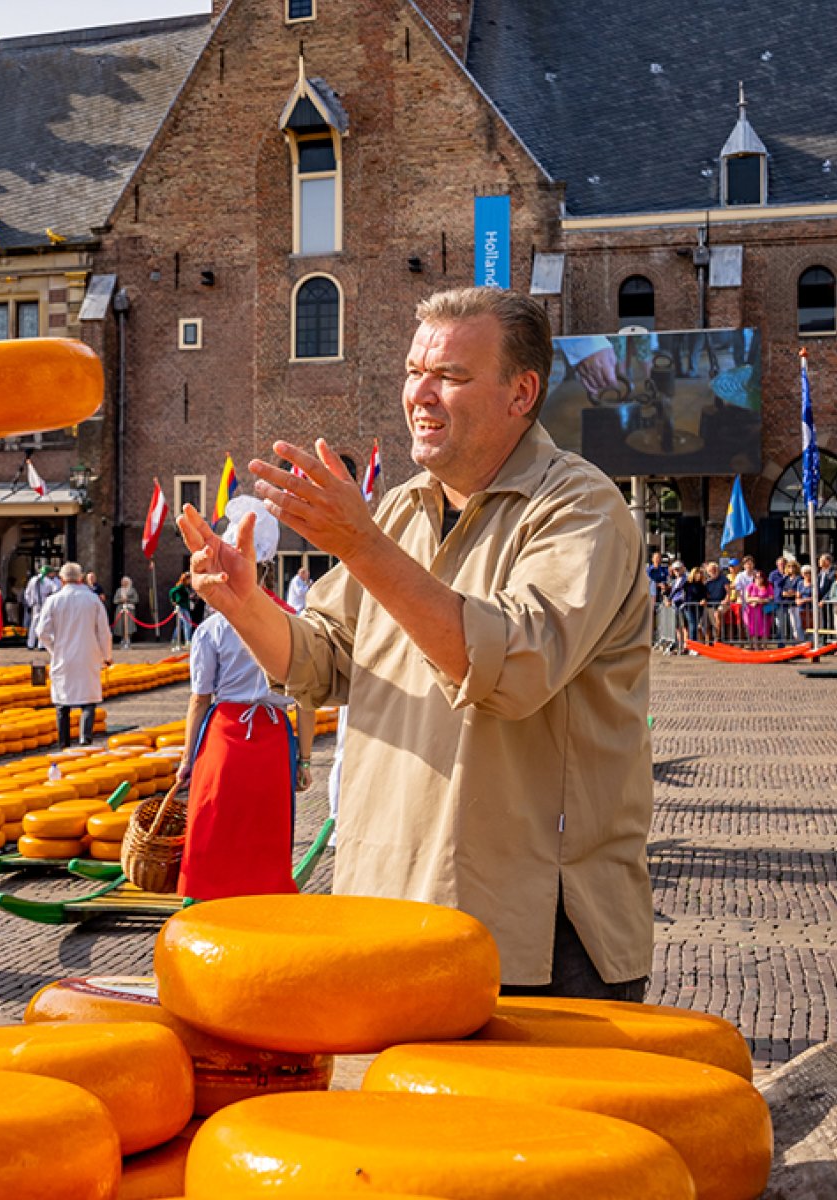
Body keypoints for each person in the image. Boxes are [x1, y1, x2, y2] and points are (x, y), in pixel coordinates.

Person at [177, 286, 653, 999]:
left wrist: (360, 543)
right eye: (412, 371)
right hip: (390, 905)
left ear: (522, 392)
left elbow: (512, 669)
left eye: (451, 377)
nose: (420, 395)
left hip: (532, 932)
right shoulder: (400, 510)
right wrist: (246, 606)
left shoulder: (581, 508)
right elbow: (320, 661)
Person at [178, 499, 305, 901]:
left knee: (215, 820)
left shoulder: (213, 628)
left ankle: (210, 899)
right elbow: (304, 697)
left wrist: (185, 760)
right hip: (271, 734)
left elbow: (200, 698)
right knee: (266, 825)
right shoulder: (292, 618)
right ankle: (265, 898)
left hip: (226, 732)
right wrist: (305, 758)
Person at [36, 562, 112, 746]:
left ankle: (63, 742)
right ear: (80, 578)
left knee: (63, 702)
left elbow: (41, 632)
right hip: (88, 655)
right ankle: (85, 739)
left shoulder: (53, 601)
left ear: (61, 580)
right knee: (88, 700)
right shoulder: (92, 600)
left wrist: (54, 648)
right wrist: (106, 656)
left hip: (63, 656)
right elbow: (103, 631)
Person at [168, 572, 197, 648]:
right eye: (190, 579)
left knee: (180, 625)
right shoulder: (181, 586)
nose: (190, 580)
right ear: (186, 579)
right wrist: (173, 600)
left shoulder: (184, 587)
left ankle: (174, 639)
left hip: (183, 606)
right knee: (188, 624)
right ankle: (188, 641)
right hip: (182, 607)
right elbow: (172, 591)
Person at [113, 576, 139, 649]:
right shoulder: (119, 590)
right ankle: (122, 639)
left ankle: (128, 639)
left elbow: (136, 599)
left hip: (129, 610)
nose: (123, 583)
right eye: (122, 581)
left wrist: (128, 599)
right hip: (120, 610)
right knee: (121, 625)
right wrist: (121, 600)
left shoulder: (132, 590)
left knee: (129, 625)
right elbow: (115, 600)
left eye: (125, 582)